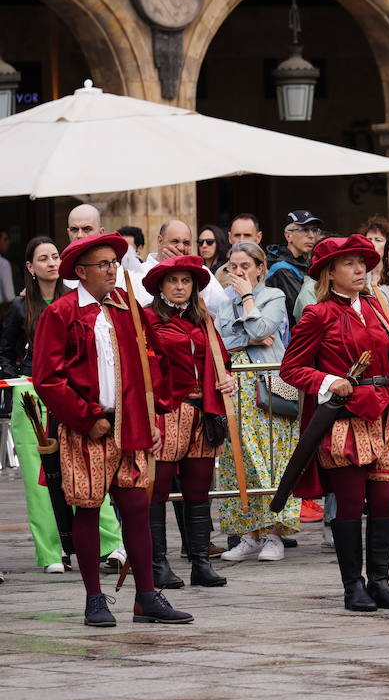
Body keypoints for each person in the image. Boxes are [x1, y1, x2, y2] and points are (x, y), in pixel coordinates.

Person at [31, 232, 192, 627]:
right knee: (87, 509)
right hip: (86, 428)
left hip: (130, 423)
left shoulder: (128, 309)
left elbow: (152, 366)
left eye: (113, 263)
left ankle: (147, 596)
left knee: (137, 508)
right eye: (102, 264)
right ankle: (94, 598)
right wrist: (87, 416)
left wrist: (154, 417)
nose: (111, 270)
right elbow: (47, 378)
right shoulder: (61, 313)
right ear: (81, 272)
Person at [279, 235, 389, 611]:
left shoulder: (379, 310)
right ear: (330, 273)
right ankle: (352, 586)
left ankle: (380, 581)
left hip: (385, 415)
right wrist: (329, 381)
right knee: (348, 506)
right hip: (344, 420)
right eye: (349, 264)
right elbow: (291, 368)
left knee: (384, 504)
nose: (360, 269)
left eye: (363, 262)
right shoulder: (318, 313)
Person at [0, 237, 125, 573]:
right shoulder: (19, 306)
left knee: (90, 468)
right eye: (43, 258)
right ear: (30, 267)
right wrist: (19, 380)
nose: (52, 263)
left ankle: (111, 544)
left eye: (56, 256)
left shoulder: (77, 300)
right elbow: (5, 352)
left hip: (73, 392)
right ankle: (51, 553)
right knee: (37, 477)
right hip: (30, 394)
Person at [143, 255, 235, 589]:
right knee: (158, 491)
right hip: (167, 413)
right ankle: (157, 565)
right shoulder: (148, 319)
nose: (180, 287)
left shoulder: (205, 320)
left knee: (198, 491)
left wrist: (227, 380)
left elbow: (222, 361)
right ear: (160, 286)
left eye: (186, 281)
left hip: (203, 413)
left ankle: (200, 564)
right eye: (173, 281)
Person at [214, 241, 301, 562]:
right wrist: (248, 335)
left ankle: (275, 534)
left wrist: (249, 298)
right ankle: (249, 533)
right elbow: (221, 342)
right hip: (236, 387)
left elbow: (265, 327)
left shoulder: (273, 296)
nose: (238, 273)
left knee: (274, 457)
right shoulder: (224, 303)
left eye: (245, 267)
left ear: (260, 268)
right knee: (242, 461)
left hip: (270, 385)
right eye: (233, 267)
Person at [267, 209, 323, 326]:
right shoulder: (281, 269)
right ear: (288, 236)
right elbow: (304, 309)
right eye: (305, 230)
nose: (311, 236)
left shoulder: (307, 261)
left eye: (314, 230)